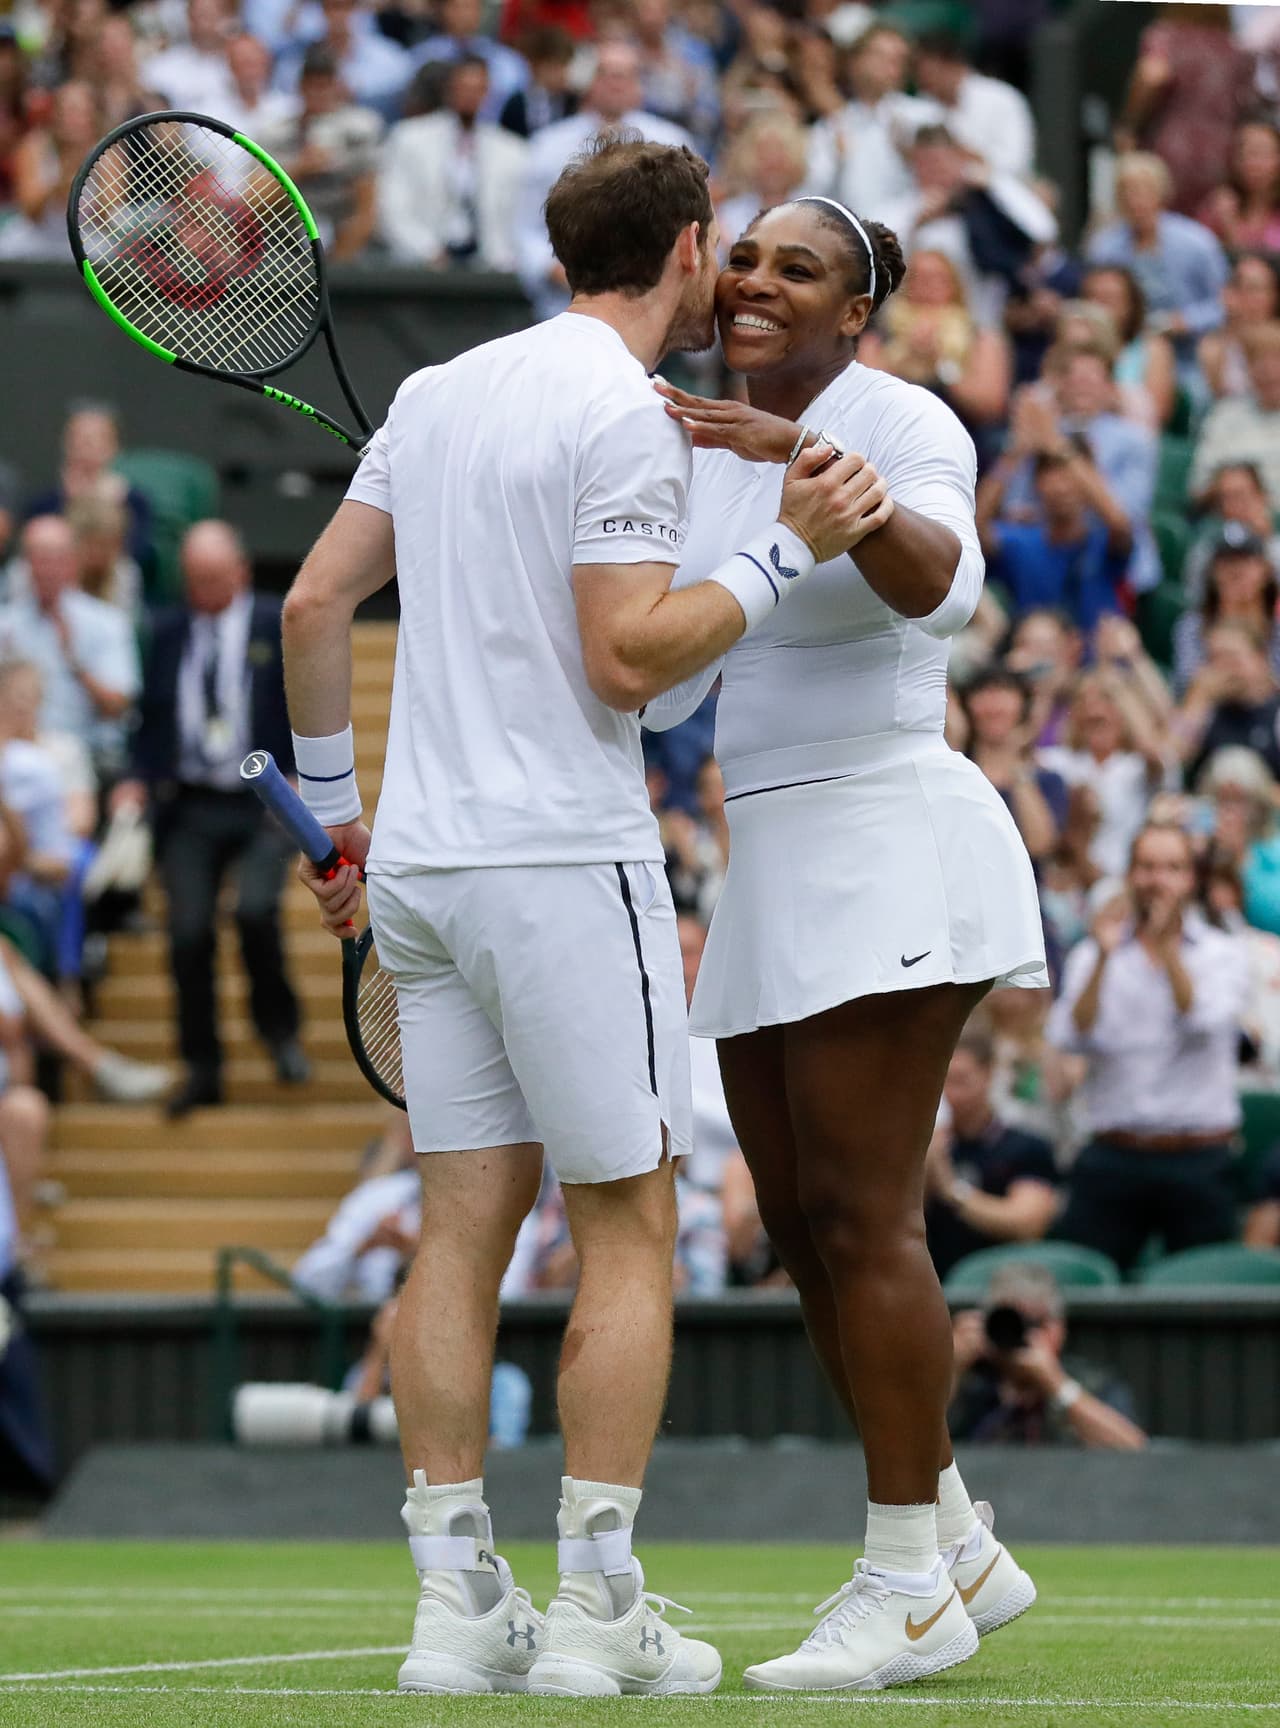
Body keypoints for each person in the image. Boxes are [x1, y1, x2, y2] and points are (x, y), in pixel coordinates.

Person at [284, 137, 876, 1698]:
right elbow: (631, 664)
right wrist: (778, 550)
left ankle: (456, 1609)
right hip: (561, 863)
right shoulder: (622, 412)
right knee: (628, 1225)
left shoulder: (435, 394)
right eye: (722, 255)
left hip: (418, 866)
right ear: (687, 248)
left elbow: (312, 605)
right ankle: (602, 1609)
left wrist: (333, 813)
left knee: (460, 1230)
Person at [648, 194, 1046, 1691]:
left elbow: (943, 587)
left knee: (871, 1223)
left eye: (795, 268)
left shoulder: (905, 416)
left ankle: (902, 1588)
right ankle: (952, 1539)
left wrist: (788, 458)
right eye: (742, 257)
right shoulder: (688, 447)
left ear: (856, 311)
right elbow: (675, 690)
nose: (754, 281)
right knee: (804, 1229)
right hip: (774, 851)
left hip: (890, 833)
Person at [115, 521, 308, 1118]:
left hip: (264, 799)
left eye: (214, 580)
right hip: (190, 803)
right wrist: (135, 781)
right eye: (194, 581)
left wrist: (307, 773)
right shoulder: (168, 631)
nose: (203, 592)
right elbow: (150, 718)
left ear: (241, 573)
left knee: (254, 910)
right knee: (187, 932)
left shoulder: (274, 623)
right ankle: (203, 1066)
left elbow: (308, 696)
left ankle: (280, 1032)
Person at [1046, 822, 1247, 1275]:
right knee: (1082, 1285)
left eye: (1172, 868)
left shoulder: (1222, 953)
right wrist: (1101, 958)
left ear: (1191, 879)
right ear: (1131, 875)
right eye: (1148, 867)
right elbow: (1069, 1035)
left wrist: (1168, 951)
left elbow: (1203, 1021)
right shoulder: (1095, 953)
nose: (1159, 880)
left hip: (1198, 1156)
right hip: (1115, 1152)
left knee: (1207, 1298)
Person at [514, 42, 692, 323]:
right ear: (589, 82)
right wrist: (556, 270)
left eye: (625, 75)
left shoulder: (672, 142)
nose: (616, 84)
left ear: (639, 85)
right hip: (565, 301)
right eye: (606, 74)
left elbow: (689, 222)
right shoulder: (547, 145)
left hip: (650, 303)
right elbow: (526, 228)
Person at [0, 515, 140, 784]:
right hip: (12, 756)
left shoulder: (106, 623)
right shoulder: (6, 625)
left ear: (72, 563)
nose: (46, 570)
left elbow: (119, 705)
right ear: (25, 565)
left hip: (81, 755)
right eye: (38, 559)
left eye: (54, 559)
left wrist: (75, 660)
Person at [949, 1263, 1147, 1449]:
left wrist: (1056, 1385)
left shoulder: (1093, 1383)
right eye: (1008, 1323)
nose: (1018, 1334)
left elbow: (1135, 1449)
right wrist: (951, 1368)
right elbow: (923, 1444)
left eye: (1032, 1323)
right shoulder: (971, 1384)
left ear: (1057, 1329)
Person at [924, 1028, 1058, 1281]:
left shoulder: (1027, 1147)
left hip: (1005, 1284)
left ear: (988, 1074)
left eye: (961, 1080)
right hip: (938, 1282)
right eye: (944, 1081)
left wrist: (951, 1190)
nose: (952, 1093)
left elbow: (1026, 1224)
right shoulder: (933, 1147)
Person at [858, 249, 1010, 461]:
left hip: (963, 440)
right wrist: (905, 354)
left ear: (954, 287)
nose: (928, 286)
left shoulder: (980, 338)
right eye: (920, 278)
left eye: (937, 279)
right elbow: (865, 397)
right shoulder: (878, 338)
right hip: (894, 440)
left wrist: (940, 362)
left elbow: (989, 406)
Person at [378, 56, 526, 269]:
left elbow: (519, 220)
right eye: (463, 87)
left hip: (491, 267)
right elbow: (392, 208)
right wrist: (428, 250)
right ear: (448, 90)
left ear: (488, 93)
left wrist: (504, 258)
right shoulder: (409, 138)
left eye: (478, 89)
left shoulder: (513, 151)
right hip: (422, 266)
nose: (470, 96)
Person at [1085, 153, 1228, 372]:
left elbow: (1225, 304)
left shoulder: (1196, 243)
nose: (1135, 201)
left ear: (1162, 193)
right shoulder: (1105, 247)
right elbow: (1092, 305)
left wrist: (1185, 321)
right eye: (1127, 192)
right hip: (1124, 355)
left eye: (1144, 190)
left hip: (1189, 356)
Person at [977, 438, 1133, 634]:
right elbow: (975, 530)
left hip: (1097, 660)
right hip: (1036, 657)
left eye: (1068, 474)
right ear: (1036, 482)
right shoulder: (1022, 542)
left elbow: (1120, 525)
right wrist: (1014, 454)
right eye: (1050, 473)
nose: (1060, 487)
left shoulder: (1103, 541)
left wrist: (1059, 444)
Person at [255, 46, 382, 262]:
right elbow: (255, 204)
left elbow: (367, 210)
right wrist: (300, 167)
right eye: (312, 85)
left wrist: (332, 270)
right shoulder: (276, 133)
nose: (318, 92)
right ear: (300, 88)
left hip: (346, 253)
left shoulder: (361, 130)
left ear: (337, 86)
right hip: (285, 251)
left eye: (325, 85)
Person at [804, 24, 935, 219]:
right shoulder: (831, 126)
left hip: (911, 236)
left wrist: (911, 156)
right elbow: (811, 192)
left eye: (899, 59)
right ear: (854, 62)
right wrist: (837, 158)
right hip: (850, 237)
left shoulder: (924, 116)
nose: (891, 65)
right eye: (881, 55)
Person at [960, 666, 1066, 871]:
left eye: (1004, 692)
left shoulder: (1048, 779)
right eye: (984, 693)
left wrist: (1016, 765)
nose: (994, 706)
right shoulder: (955, 774)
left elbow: (1040, 844)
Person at [910, 30, 1034, 181]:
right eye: (920, 75)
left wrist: (966, 154)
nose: (925, 82)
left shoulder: (1002, 98)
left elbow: (1016, 164)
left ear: (954, 65)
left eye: (931, 73)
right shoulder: (920, 108)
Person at [1172, 524, 1280, 698]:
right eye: (1226, 562)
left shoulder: (1276, 625)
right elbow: (1185, 688)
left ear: (1265, 570)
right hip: (1210, 717)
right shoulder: (1193, 625)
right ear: (1212, 572)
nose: (1236, 570)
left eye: (1246, 560)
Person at [1176, 621, 1280, 786]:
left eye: (1231, 657)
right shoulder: (1206, 709)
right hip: (1210, 808)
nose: (1223, 668)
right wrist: (1198, 698)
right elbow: (1172, 760)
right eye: (1214, 658)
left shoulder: (1276, 712)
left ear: (1260, 657)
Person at [1191, 322, 1280, 511]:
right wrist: (1234, 486)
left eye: (1276, 360)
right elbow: (1198, 489)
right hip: (1229, 519)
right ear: (1247, 368)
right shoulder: (1224, 414)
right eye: (1258, 361)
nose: (1268, 371)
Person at [1080, 266, 1177, 431]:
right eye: (1092, 298)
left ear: (1130, 305)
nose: (1098, 308)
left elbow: (1159, 412)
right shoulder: (1072, 347)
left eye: (1108, 299)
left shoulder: (1153, 348)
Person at [408, 0, 529, 127]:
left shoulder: (509, 63)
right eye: (457, 7)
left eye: (470, 7)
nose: (464, 14)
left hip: (493, 137)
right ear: (442, 10)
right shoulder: (421, 57)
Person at [1183, 461, 1280, 605]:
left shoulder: (1275, 550)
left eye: (1240, 495)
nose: (1233, 505)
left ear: (1261, 496)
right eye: (1225, 498)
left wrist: (1264, 543)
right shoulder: (1207, 550)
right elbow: (1195, 600)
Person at [1196, 253, 1280, 404]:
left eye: (1254, 288)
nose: (1243, 296)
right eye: (1237, 286)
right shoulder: (1213, 347)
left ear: (1274, 295)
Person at [1198, 118, 1280, 255]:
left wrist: (1231, 230)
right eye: (1244, 153)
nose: (1252, 163)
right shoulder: (1220, 206)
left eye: (1261, 153)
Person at [498, 26, 578, 140]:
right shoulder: (516, 104)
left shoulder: (572, 102)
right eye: (555, 67)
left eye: (566, 66)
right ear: (537, 66)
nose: (563, 74)